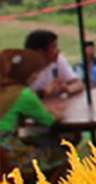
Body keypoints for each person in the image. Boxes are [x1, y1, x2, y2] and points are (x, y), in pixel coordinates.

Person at [0, 48, 65, 176]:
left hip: (3, 155)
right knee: (64, 154)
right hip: (9, 157)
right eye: (35, 73)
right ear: (26, 73)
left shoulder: (4, 89)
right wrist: (56, 113)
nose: (36, 76)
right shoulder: (23, 94)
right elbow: (50, 120)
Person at [23, 30, 83, 98]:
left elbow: (79, 84)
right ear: (40, 52)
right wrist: (44, 92)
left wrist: (66, 89)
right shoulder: (21, 68)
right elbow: (17, 99)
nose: (58, 50)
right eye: (54, 47)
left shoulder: (58, 60)